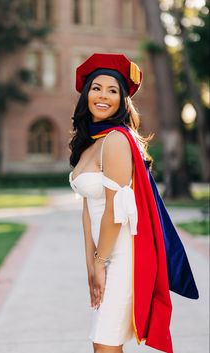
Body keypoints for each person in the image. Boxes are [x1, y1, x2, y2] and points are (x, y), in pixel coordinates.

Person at [69, 53, 198, 353]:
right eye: (96, 88)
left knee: (105, 344)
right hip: (104, 255)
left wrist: (101, 264)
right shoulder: (90, 142)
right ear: (86, 93)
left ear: (122, 100)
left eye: (112, 91)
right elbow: (88, 210)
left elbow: (115, 213)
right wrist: (91, 265)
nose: (103, 96)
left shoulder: (115, 140)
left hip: (124, 256)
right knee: (104, 344)